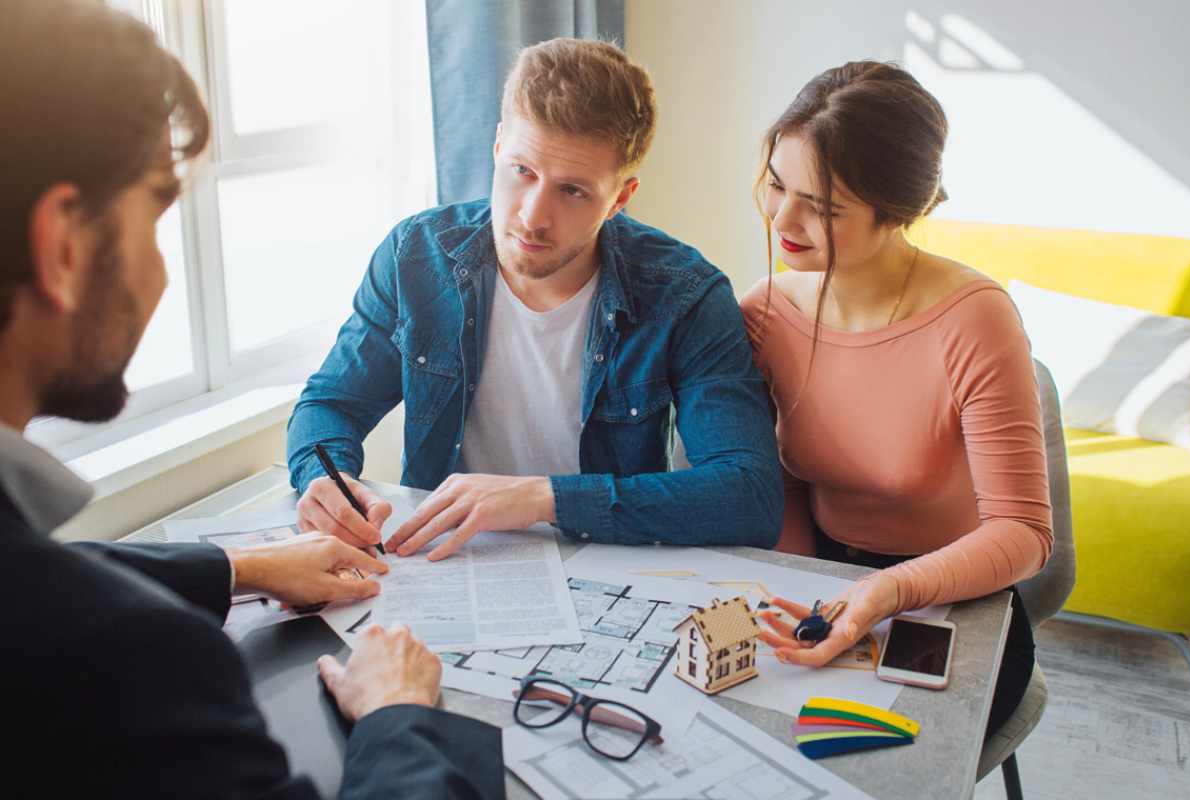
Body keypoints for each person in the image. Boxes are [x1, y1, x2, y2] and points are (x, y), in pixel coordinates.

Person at [0, 2, 502, 797]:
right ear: (64, 246)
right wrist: (398, 715)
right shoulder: (147, 666)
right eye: (155, 217)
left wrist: (240, 565)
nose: (162, 276)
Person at [287, 38, 783, 560]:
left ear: (621, 197)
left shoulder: (684, 292)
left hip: (607, 564)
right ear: (499, 146)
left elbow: (749, 495)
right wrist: (326, 478)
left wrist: (542, 498)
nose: (531, 216)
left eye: (572, 191)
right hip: (445, 562)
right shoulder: (415, 256)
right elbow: (330, 403)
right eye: (522, 171)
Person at [740, 61, 1052, 738]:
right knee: (751, 746)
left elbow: (1025, 535)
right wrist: (803, 583)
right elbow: (785, 480)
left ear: (897, 211)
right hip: (824, 575)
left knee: (858, 760)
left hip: (957, 599)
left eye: (821, 206)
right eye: (775, 185)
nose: (784, 219)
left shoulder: (974, 318)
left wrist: (887, 592)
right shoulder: (764, 315)